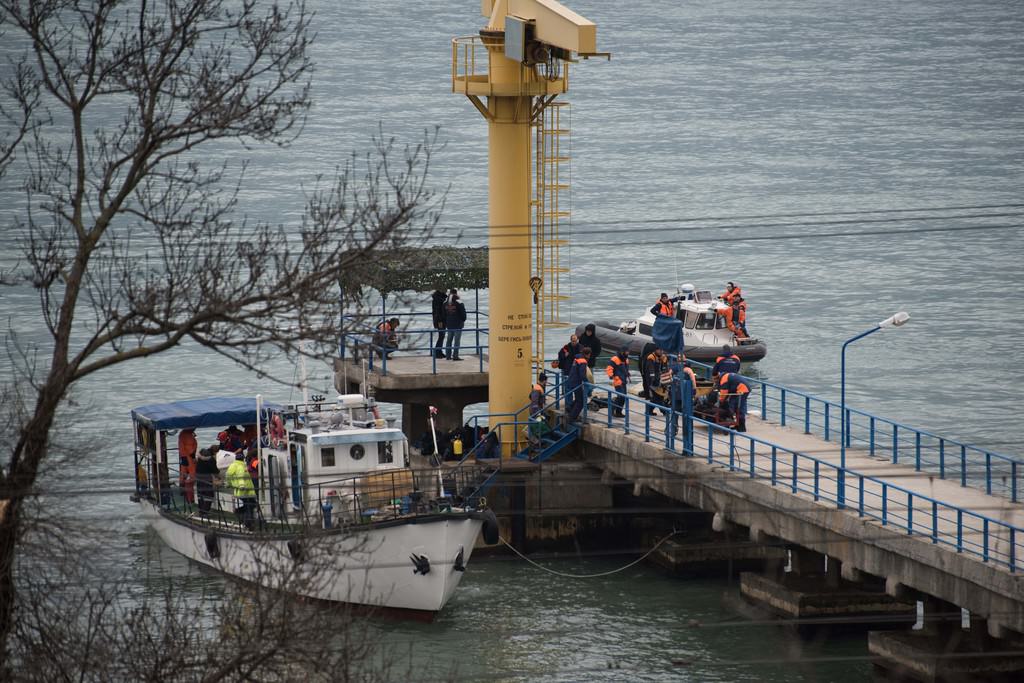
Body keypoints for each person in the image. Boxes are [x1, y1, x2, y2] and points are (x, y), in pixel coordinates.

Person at [226, 450, 257, 529]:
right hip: (246, 491)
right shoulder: (241, 466)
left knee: (244, 506)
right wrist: (242, 485)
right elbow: (241, 476)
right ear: (243, 459)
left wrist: (228, 484)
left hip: (238, 491)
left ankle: (242, 520)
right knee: (250, 506)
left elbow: (228, 476)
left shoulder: (232, 466)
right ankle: (248, 523)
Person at [565, 348, 590, 423]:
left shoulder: (577, 358)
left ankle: (569, 408)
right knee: (581, 401)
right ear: (588, 354)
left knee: (578, 398)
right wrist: (586, 381)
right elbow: (582, 374)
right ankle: (572, 417)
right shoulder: (583, 361)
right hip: (576, 382)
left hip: (571, 380)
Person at [605, 348, 631, 417]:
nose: (628, 353)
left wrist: (627, 373)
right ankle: (612, 410)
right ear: (622, 352)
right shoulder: (615, 359)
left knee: (623, 398)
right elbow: (609, 368)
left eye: (628, 352)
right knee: (620, 397)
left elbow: (625, 369)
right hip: (618, 381)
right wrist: (611, 375)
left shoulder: (626, 360)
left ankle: (618, 412)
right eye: (626, 352)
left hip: (624, 381)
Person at [195, 445, 220, 513]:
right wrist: (219, 477)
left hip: (198, 476)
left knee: (200, 493)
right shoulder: (211, 459)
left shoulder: (201, 455)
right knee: (209, 494)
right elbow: (215, 471)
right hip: (207, 478)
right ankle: (205, 511)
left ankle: (201, 510)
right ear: (215, 452)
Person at [444, 293, 467, 360]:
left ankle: (448, 355)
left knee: (449, 340)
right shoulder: (459, 304)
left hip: (449, 325)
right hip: (458, 325)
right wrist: (462, 320)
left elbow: (443, 314)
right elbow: (463, 315)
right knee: (456, 341)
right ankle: (455, 356)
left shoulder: (445, 304)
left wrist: (447, 321)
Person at [177, 428, 197, 504]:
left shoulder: (188, 434)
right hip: (187, 456)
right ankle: (188, 494)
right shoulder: (184, 435)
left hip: (188, 456)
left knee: (184, 474)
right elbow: (182, 446)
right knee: (191, 474)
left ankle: (184, 490)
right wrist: (184, 457)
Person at [431, 289, 448, 359]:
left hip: (439, 320)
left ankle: (439, 351)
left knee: (441, 336)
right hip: (440, 321)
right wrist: (441, 320)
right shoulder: (439, 300)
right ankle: (437, 352)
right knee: (441, 336)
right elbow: (438, 312)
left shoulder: (438, 299)